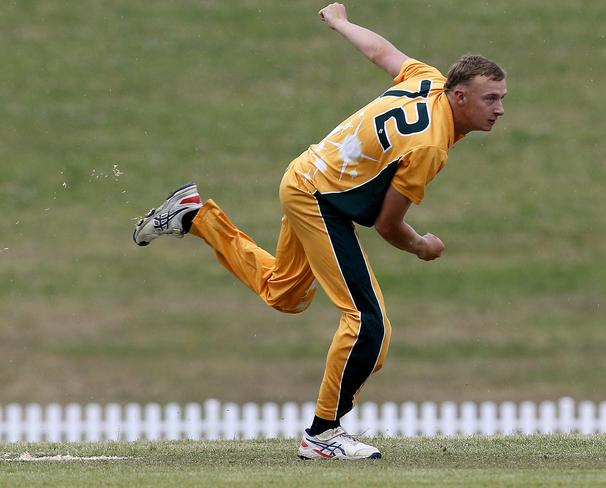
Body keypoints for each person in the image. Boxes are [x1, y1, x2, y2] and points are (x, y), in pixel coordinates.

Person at [133, 2, 506, 460]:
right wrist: (422, 246)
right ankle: (323, 433)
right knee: (369, 324)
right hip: (318, 199)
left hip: (305, 176)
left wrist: (342, 23)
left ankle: (195, 216)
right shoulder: (430, 146)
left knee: (285, 294)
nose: (500, 109)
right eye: (491, 98)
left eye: (502, 98)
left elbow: (381, 52)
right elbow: (388, 225)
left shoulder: (426, 79)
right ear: (460, 96)